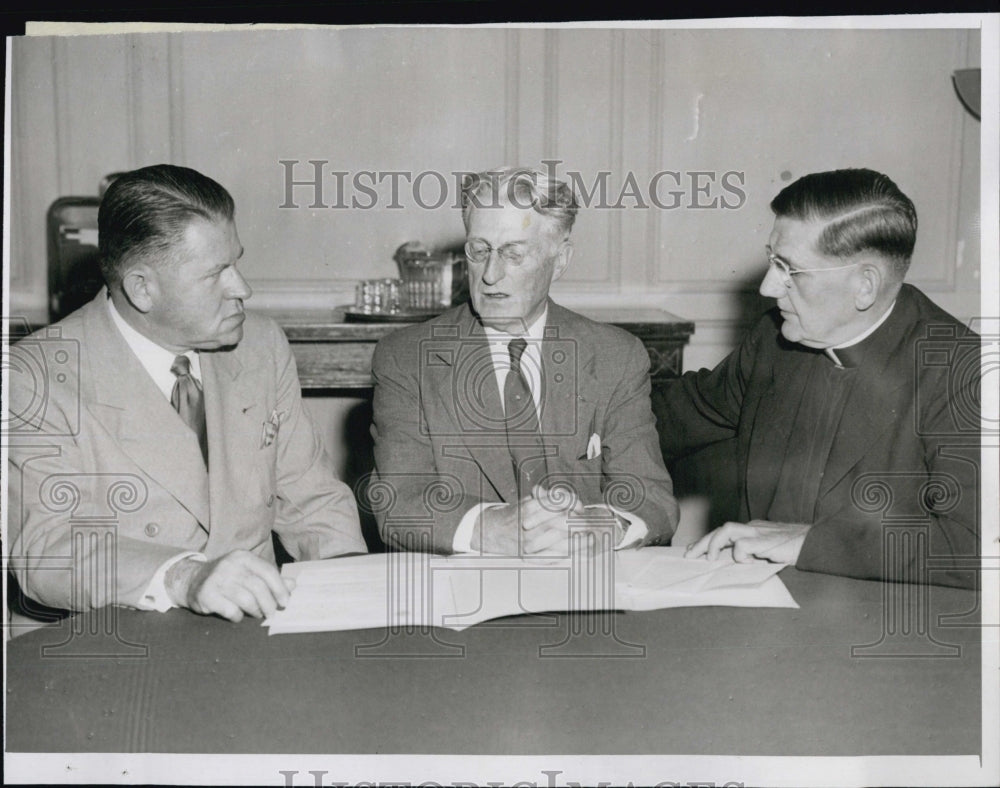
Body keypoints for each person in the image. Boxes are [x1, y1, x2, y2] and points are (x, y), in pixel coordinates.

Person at [7, 164, 365, 623]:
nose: (243, 288)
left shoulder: (260, 345)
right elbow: (48, 549)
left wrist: (351, 587)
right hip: (111, 639)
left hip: (250, 635)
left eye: (236, 262)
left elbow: (312, 500)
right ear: (142, 289)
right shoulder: (34, 376)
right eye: (216, 273)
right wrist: (186, 577)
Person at [654, 168, 979, 588]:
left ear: (865, 286)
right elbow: (668, 420)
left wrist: (808, 542)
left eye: (789, 269)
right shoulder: (774, 338)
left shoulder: (964, 374)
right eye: (772, 260)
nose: (768, 288)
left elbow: (979, 544)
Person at [370, 166, 678, 555]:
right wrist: (487, 528)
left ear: (560, 260)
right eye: (479, 251)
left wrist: (601, 527)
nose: (490, 275)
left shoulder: (615, 356)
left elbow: (652, 499)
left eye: (514, 254)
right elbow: (399, 500)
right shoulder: (406, 359)